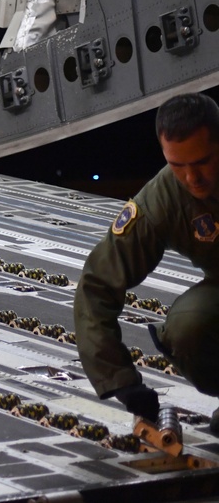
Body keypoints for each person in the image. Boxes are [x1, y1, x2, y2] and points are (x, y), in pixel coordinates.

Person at [75, 92, 219, 432]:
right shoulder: (166, 197)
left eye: (201, 162)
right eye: (177, 165)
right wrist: (120, 379)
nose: (191, 178)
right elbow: (97, 285)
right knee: (190, 326)